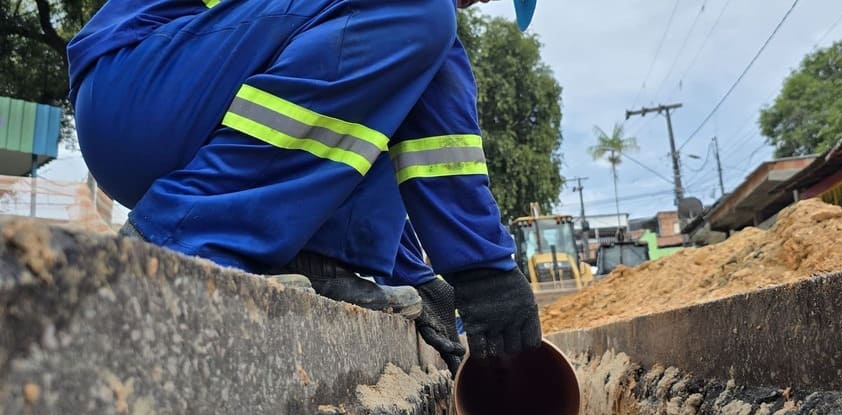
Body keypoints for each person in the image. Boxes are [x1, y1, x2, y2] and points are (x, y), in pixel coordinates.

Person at [67, 0, 542, 376]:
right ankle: (191, 232)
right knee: (421, 21)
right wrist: (485, 273)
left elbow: (355, 115)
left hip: (173, 99)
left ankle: (317, 260)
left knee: (416, 48)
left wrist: (418, 278)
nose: (468, 6)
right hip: (140, 83)